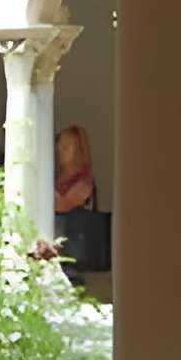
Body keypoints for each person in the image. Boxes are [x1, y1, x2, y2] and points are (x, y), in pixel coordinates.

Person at [52, 121, 109, 282]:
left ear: (77, 150)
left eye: (67, 146)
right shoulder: (58, 177)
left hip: (72, 252)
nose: (61, 151)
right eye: (60, 145)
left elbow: (63, 204)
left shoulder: (83, 180)